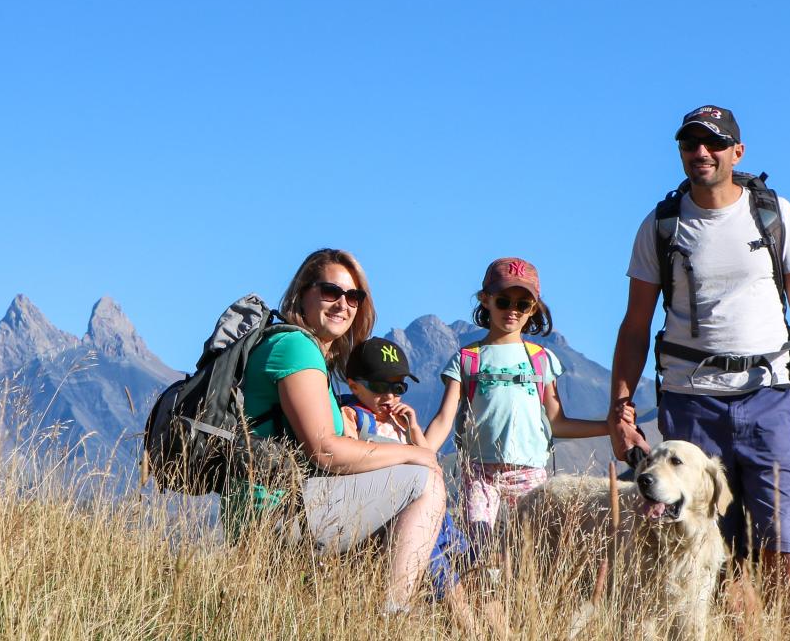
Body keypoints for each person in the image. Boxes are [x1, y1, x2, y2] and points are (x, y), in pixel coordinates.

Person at [607, 105, 790, 641]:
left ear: (738, 151)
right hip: (690, 404)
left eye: (713, 143)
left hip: (768, 398)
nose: (700, 153)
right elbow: (635, 324)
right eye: (690, 144)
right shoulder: (662, 225)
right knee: (712, 547)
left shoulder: (775, 214)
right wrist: (621, 410)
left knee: (782, 547)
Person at [230, 248, 447, 613]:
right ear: (303, 293)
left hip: (280, 508)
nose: (342, 304)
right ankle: (392, 614)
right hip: (277, 515)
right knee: (426, 482)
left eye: (353, 296)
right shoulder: (296, 347)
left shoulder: (302, 351)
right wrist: (415, 454)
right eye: (330, 291)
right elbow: (325, 450)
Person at [423, 258, 608, 548]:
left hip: (529, 471)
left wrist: (610, 427)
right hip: (479, 472)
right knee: (478, 546)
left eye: (522, 305)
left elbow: (557, 422)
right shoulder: (467, 358)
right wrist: (421, 454)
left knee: (530, 547)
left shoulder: (542, 360)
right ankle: (482, 592)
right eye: (504, 301)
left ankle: (519, 592)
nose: (512, 310)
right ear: (485, 300)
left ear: (533, 309)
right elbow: (444, 418)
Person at [336, 338, 468, 603]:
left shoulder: (399, 422)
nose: (389, 396)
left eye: (398, 387)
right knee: (437, 564)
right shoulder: (352, 416)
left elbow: (429, 461)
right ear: (353, 386)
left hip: (427, 513)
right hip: (387, 509)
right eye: (378, 386)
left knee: (462, 561)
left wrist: (413, 429)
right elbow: (350, 458)